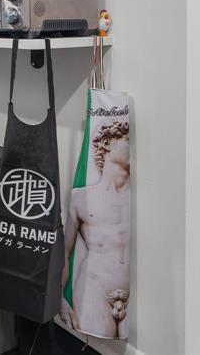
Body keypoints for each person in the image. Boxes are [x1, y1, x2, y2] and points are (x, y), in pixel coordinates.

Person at [59, 120, 131, 339]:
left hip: (135, 294)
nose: (132, 146)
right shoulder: (82, 197)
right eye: (127, 140)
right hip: (94, 292)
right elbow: (64, 251)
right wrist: (59, 297)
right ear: (108, 143)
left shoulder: (139, 198)